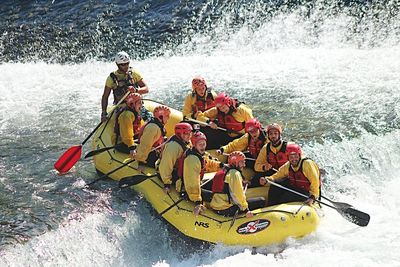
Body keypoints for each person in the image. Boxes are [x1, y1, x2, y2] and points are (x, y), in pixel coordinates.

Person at [179, 131, 223, 216]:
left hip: (198, 183)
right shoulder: (192, 160)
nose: (203, 146)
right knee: (217, 198)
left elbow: (207, 163)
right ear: (194, 145)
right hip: (186, 189)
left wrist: (220, 165)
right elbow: (192, 183)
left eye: (204, 143)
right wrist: (198, 201)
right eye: (200, 144)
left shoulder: (200, 154)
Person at [210, 151, 265, 217]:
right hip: (226, 209)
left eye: (244, 162)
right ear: (235, 162)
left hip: (217, 207)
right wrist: (246, 210)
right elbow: (237, 195)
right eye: (242, 162)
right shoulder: (235, 173)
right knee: (261, 201)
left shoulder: (223, 170)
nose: (244, 165)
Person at [101, 51, 150, 122]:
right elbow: (105, 97)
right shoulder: (111, 79)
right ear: (117, 64)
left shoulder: (134, 73)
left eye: (127, 63)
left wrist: (136, 90)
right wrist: (104, 113)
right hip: (121, 107)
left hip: (137, 105)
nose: (126, 66)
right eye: (123, 64)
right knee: (126, 118)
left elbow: (146, 89)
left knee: (150, 120)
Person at [250, 123, 289, 187]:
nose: (273, 136)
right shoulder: (266, 148)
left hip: (286, 175)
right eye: (271, 134)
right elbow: (256, 166)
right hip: (274, 172)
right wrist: (264, 167)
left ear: (279, 134)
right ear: (268, 135)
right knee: (257, 177)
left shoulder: (288, 147)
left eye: (275, 133)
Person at [159, 122, 193, 193]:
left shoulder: (186, 141)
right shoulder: (173, 147)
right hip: (172, 173)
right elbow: (166, 165)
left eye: (190, 133)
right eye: (187, 134)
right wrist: (167, 184)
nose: (189, 136)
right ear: (180, 134)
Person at [112, 93, 144, 157]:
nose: (142, 104)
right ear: (132, 104)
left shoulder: (135, 111)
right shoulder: (126, 115)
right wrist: (132, 147)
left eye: (141, 102)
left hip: (135, 137)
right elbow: (126, 134)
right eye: (139, 103)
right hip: (124, 143)